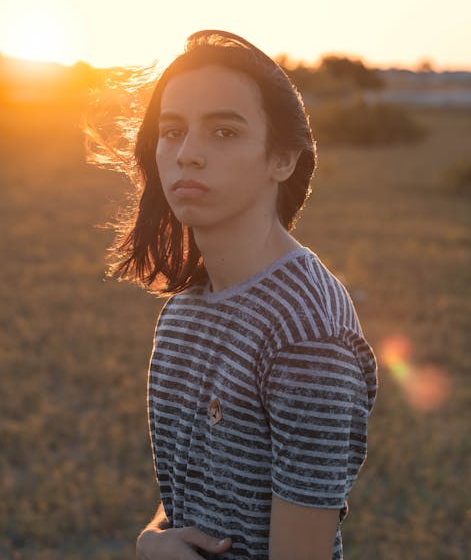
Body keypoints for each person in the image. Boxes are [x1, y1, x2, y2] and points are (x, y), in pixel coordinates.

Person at [98, 30, 377, 559]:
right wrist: (153, 540)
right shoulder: (183, 312)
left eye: (224, 132)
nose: (188, 155)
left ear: (283, 160)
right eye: (172, 131)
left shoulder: (307, 333)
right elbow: (188, 496)